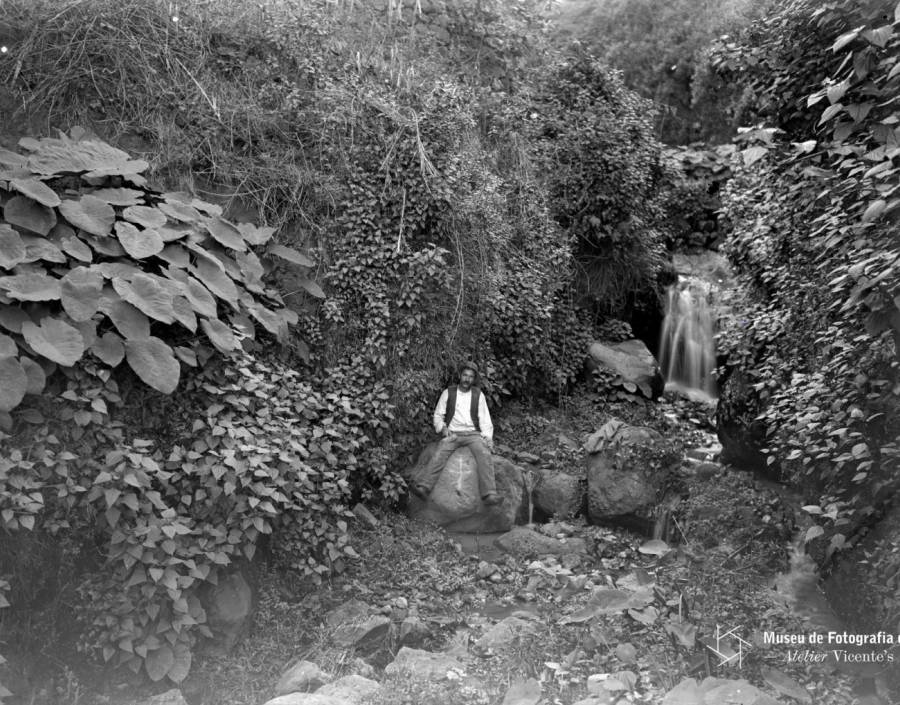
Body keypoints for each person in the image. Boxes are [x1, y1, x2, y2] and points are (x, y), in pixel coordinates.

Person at [410, 362, 501, 506]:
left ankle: (489, 494)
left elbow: (485, 419)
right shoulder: (449, 392)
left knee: (484, 453)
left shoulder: (478, 395)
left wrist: (488, 438)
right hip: (453, 433)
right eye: (465, 375)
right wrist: (443, 429)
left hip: (473, 434)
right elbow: (438, 415)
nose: (467, 379)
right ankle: (424, 488)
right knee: (441, 451)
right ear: (460, 375)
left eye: (471, 377)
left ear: (474, 379)